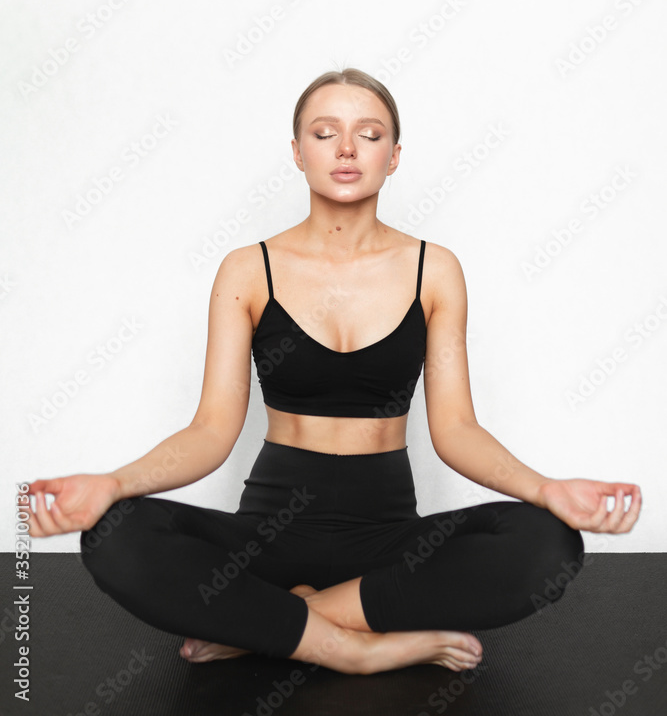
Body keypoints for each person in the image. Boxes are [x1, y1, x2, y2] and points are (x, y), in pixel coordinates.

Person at [26, 67, 641, 676]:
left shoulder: (434, 269)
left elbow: (456, 430)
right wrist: (112, 483)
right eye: (324, 133)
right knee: (116, 532)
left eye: (369, 134)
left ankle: (269, 625)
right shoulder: (248, 269)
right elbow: (210, 431)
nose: (346, 148)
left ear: (393, 156)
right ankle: (356, 648)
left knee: (548, 542)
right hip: (266, 537)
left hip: (388, 547)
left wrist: (547, 489)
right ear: (298, 152)